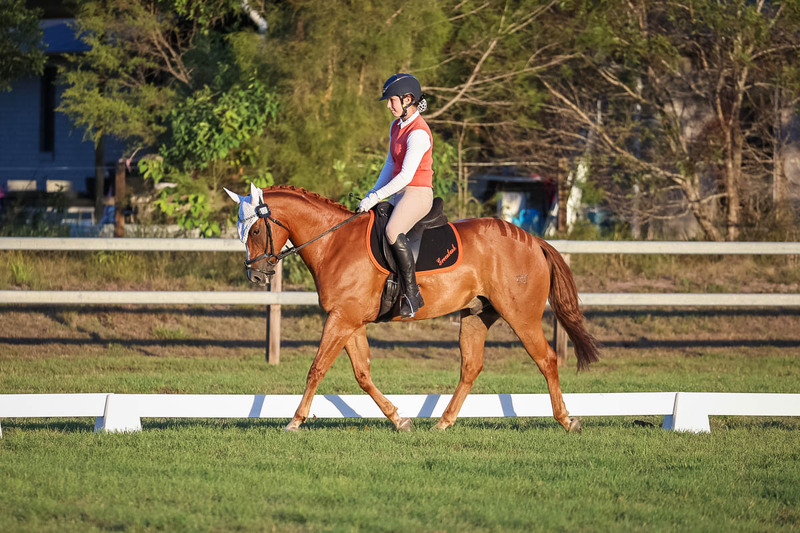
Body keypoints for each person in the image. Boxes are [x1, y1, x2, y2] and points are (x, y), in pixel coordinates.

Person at [359, 73, 433, 318]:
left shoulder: (418, 133)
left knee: (392, 231)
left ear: (408, 99)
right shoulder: (396, 126)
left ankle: (412, 294)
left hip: (418, 193)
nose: (389, 106)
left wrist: (377, 195)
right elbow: (390, 166)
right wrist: (372, 194)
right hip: (399, 192)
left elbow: (406, 176)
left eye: (392, 101)